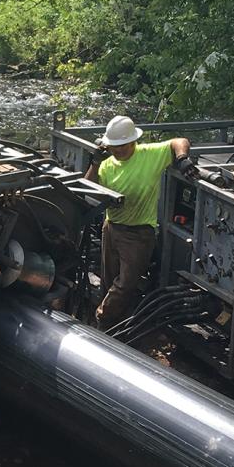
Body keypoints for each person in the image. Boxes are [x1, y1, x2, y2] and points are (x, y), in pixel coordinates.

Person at [84, 115, 197, 329]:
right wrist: (95, 163)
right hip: (111, 227)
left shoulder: (149, 155)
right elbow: (88, 190)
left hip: (138, 232)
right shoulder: (107, 165)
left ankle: (103, 318)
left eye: (122, 146)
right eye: (114, 146)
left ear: (133, 141)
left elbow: (178, 141)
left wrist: (182, 158)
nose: (118, 150)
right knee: (109, 281)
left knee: (126, 283)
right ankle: (115, 324)